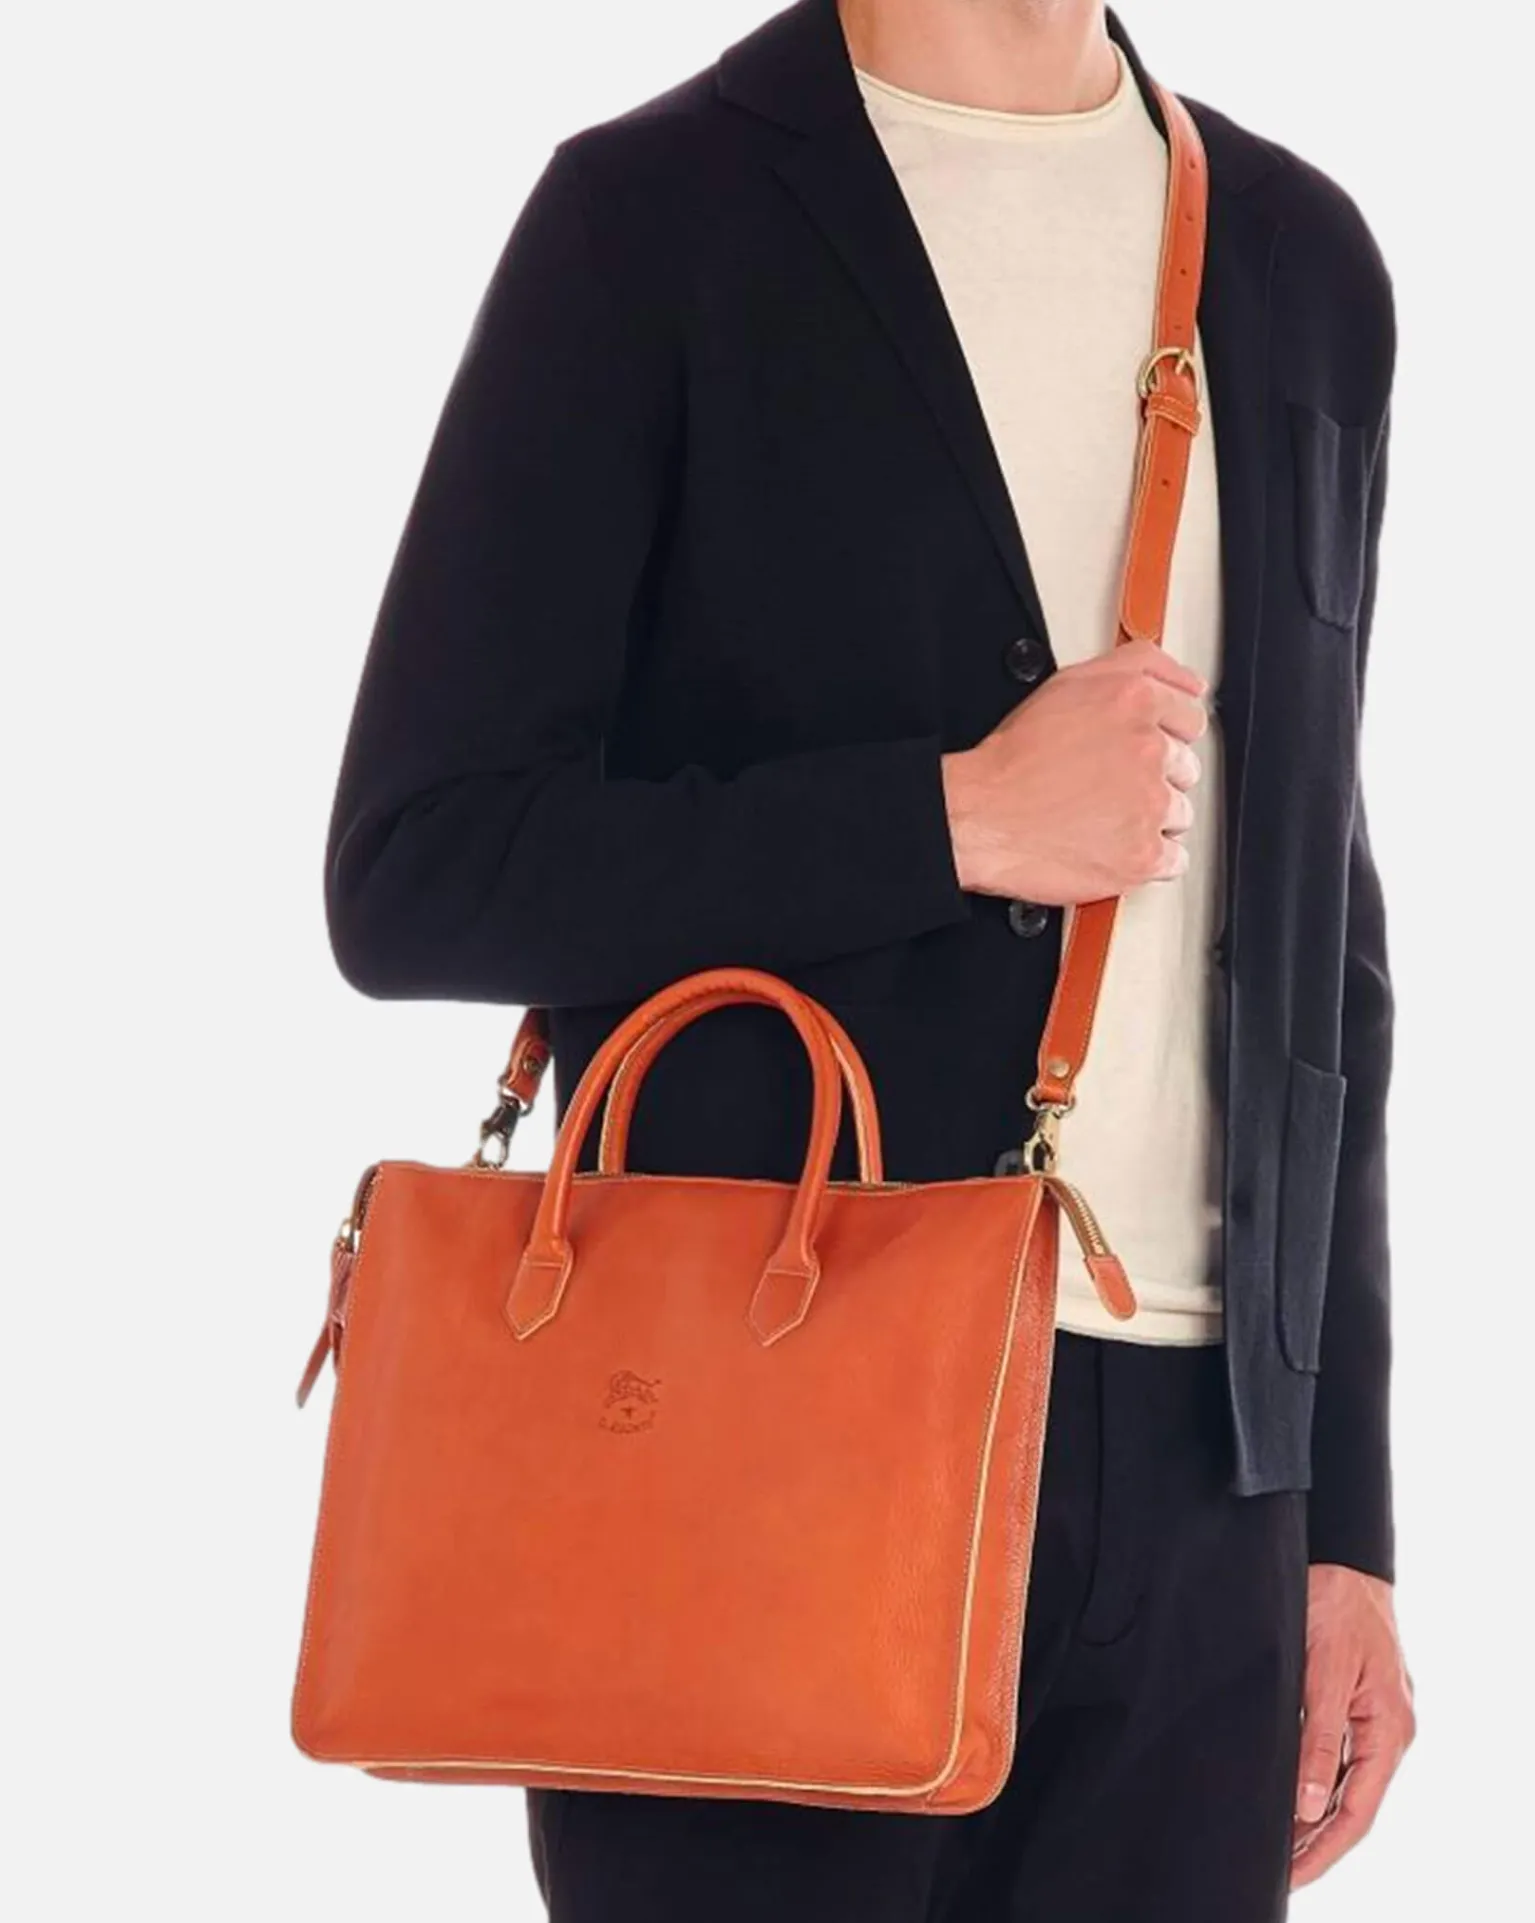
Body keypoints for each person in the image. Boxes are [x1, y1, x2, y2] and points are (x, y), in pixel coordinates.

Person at [321, 0, 1414, 1915]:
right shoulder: (651, 219)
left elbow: (1324, 937)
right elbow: (418, 866)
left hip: (1200, 1497)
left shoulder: (1300, 258)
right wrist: (950, 818)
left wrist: (1345, 1519)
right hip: (754, 1445)